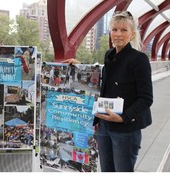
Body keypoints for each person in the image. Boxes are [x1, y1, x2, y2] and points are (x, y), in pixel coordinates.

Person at [62, 11, 153, 172]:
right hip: (104, 125)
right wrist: (81, 66)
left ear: (132, 34)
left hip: (125, 129)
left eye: (124, 30)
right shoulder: (109, 55)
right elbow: (105, 81)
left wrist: (122, 117)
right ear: (110, 32)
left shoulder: (139, 59)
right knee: (106, 171)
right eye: (114, 29)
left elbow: (146, 98)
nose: (118, 34)